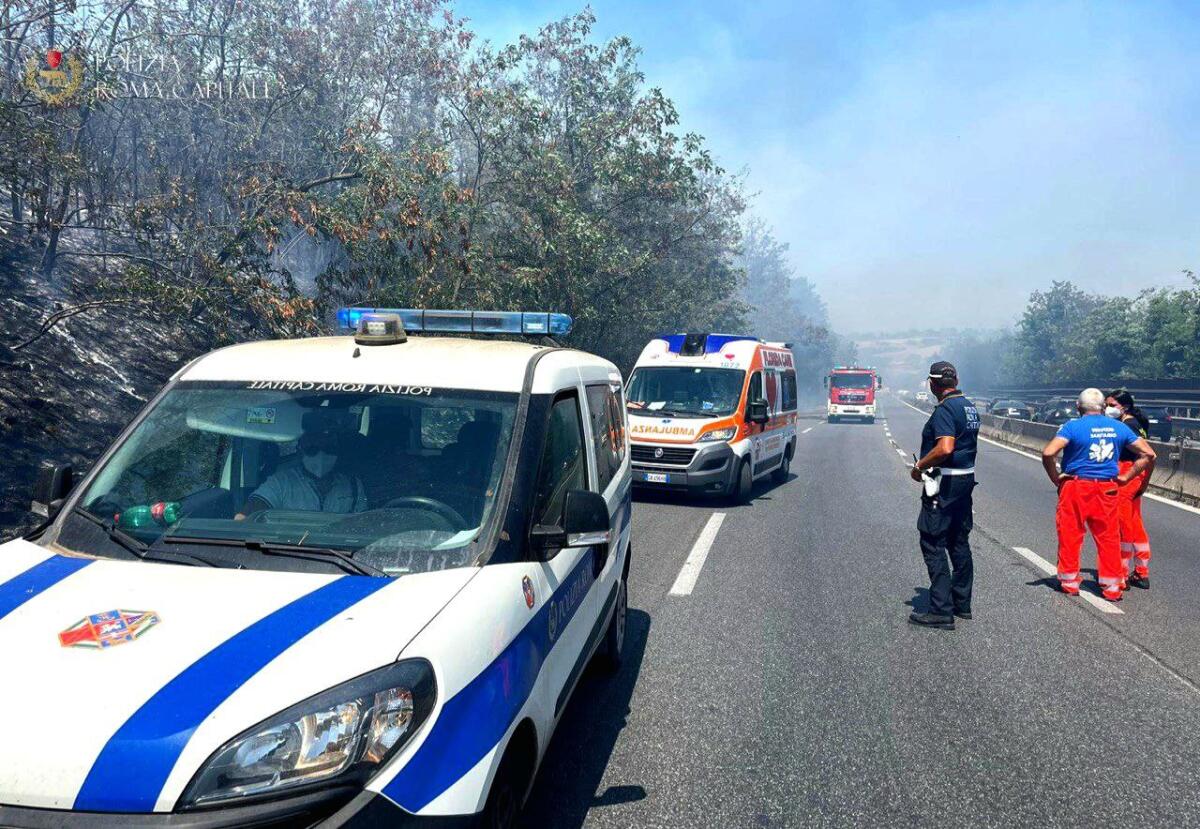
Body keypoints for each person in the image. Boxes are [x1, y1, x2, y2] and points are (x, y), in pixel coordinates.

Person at [1040, 388, 1155, 601]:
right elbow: (1148, 454)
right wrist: (1127, 477)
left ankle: (1069, 581)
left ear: (1077, 406)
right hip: (1108, 488)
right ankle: (1112, 587)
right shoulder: (1118, 427)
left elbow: (1048, 453)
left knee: (1071, 534)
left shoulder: (1071, 427)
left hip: (1076, 487)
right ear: (1103, 407)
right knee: (1109, 537)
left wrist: (1056, 478)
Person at [908, 361, 979, 631]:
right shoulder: (969, 406)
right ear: (956, 380)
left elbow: (945, 447)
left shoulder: (945, 409)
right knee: (958, 541)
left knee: (933, 540)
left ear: (932, 384)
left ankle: (940, 610)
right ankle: (962, 603)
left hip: (944, 482)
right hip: (965, 481)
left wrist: (919, 466)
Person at [237, 421, 368, 517]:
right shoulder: (281, 483)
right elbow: (246, 516)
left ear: (337, 452)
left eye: (328, 449)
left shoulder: (353, 485)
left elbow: (362, 526)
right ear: (300, 452)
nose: (321, 455)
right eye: (312, 450)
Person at [1106, 388, 1156, 589]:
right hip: (1136, 475)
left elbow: (1150, 455)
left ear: (1124, 407)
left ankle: (1121, 573)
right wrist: (1143, 482)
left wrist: (1140, 482)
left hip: (1128, 473)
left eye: (1112, 405)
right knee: (1134, 523)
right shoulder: (1133, 422)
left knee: (1122, 525)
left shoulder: (1128, 426)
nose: (1108, 409)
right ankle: (1142, 571)